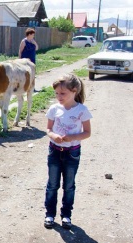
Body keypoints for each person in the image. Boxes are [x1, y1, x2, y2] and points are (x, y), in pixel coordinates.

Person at [43, 74, 92, 230]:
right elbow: (49, 129)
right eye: (56, 93)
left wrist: (73, 137)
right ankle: (50, 214)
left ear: (74, 91)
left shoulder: (82, 110)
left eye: (62, 93)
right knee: (52, 185)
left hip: (72, 153)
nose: (59, 96)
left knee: (69, 186)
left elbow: (87, 132)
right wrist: (53, 136)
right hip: (54, 151)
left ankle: (66, 216)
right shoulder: (54, 109)